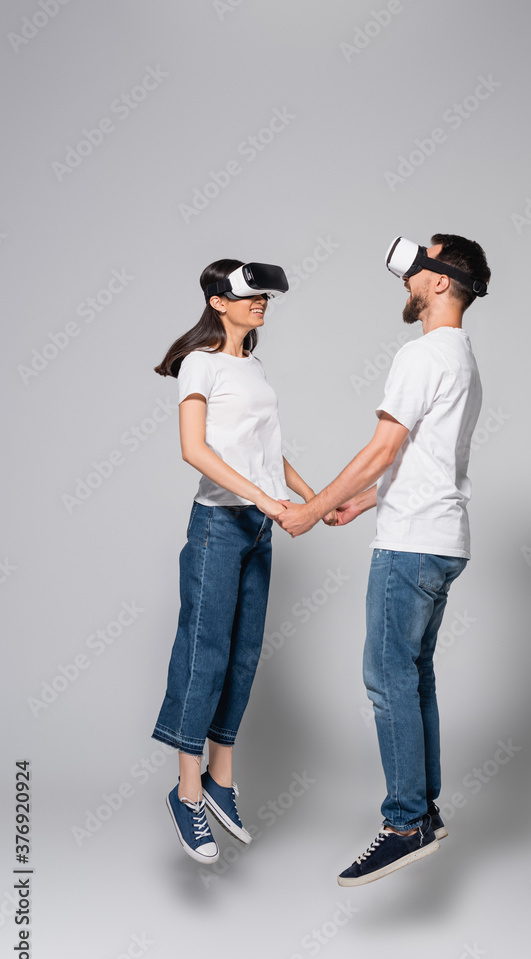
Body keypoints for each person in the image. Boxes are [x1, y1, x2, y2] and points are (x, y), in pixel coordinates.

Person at [276, 233, 490, 885]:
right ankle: (423, 810)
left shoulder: (422, 353)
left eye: (417, 265)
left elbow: (382, 448)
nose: (405, 278)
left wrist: (311, 511)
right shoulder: (462, 357)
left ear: (439, 281)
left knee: (384, 674)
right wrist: (364, 503)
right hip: (440, 538)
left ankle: (404, 825)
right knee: (411, 675)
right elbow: (426, 462)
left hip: (410, 545)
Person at [151, 257, 335, 864]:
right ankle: (186, 791)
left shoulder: (254, 367)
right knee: (203, 649)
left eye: (265, 297)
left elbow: (268, 452)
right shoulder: (200, 365)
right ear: (216, 302)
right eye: (250, 295)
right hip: (218, 526)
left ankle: (221, 783)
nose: (261, 303)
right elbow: (192, 449)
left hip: (260, 526)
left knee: (244, 652)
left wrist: (314, 499)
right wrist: (260, 498)